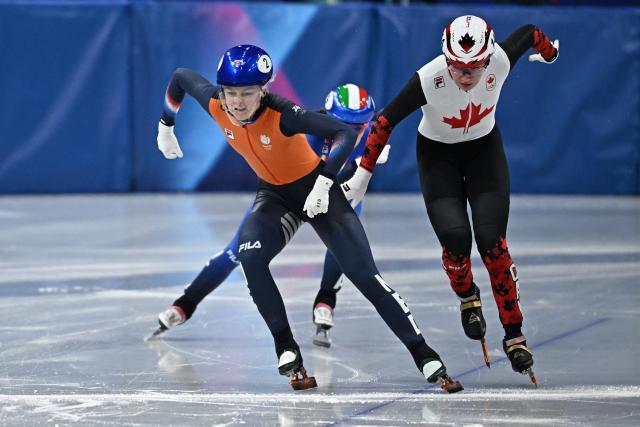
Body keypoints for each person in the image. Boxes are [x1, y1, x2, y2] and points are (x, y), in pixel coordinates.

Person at [153, 44, 462, 392]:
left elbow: (343, 133)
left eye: (248, 93)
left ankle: (423, 353)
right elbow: (180, 76)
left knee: (364, 276)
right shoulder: (215, 103)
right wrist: (166, 124)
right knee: (249, 257)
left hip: (321, 194)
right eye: (232, 93)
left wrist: (326, 181)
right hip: (274, 197)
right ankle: (285, 346)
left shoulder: (284, 114)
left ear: (264, 90)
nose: (238, 103)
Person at [342, 16, 559, 384]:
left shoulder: (501, 60)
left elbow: (530, 33)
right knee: (457, 239)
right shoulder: (430, 77)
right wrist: (362, 176)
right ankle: (467, 295)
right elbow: (383, 122)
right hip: (437, 157)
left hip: (484, 154)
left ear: (489, 58)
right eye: (457, 67)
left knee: (493, 244)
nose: (465, 76)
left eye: (475, 67)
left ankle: (514, 333)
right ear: (446, 58)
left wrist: (550, 54)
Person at [152, 83, 391, 349]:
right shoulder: (307, 130)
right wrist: (360, 164)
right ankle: (186, 302)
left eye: (360, 127)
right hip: (289, 193)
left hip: (335, 193)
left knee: (342, 243)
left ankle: (325, 300)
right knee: (236, 253)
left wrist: (364, 163)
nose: (354, 132)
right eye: (345, 124)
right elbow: (309, 179)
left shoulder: (373, 132)